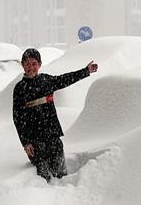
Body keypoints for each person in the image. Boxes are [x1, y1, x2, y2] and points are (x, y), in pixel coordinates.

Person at [12, 48, 98, 181]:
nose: (31, 67)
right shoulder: (19, 88)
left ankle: (63, 190)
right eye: (27, 64)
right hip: (34, 140)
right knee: (43, 177)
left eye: (34, 63)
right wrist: (26, 143)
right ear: (22, 65)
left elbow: (66, 79)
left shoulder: (46, 80)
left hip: (52, 135)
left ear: (40, 64)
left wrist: (86, 71)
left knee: (61, 173)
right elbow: (17, 118)